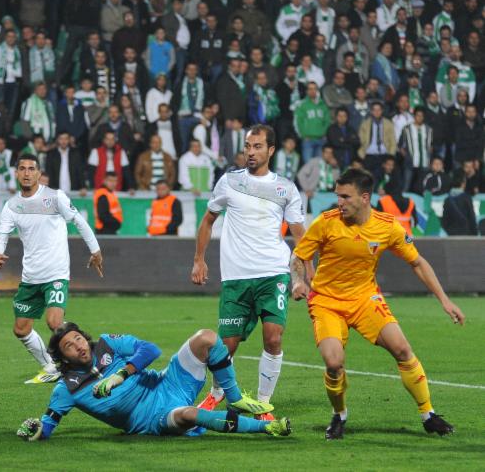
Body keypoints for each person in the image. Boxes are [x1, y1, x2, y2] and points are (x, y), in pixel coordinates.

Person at [290, 168, 464, 440]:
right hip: (326, 302)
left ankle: (428, 414)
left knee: (403, 349)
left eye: (346, 197)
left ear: (364, 197)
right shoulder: (326, 222)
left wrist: (444, 300)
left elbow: (417, 262)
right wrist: (297, 282)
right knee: (334, 363)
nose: (339, 202)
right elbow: (299, 256)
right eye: (338, 196)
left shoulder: (387, 226)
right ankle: (339, 415)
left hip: (365, 299)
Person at [192, 125, 306, 416]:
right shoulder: (229, 181)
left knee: (273, 337)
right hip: (236, 277)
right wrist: (199, 259)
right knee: (226, 347)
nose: (251, 152)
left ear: (271, 150)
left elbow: (301, 237)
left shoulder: (285, 188)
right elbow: (207, 221)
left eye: (257, 146)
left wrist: (305, 276)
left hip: (273, 272)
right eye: (247, 146)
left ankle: (263, 403)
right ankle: (217, 393)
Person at [16, 322, 291, 441]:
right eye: (69, 346)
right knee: (190, 414)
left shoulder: (107, 344)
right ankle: (268, 428)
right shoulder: (67, 388)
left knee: (206, 337)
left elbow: (151, 350)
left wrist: (121, 374)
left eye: (78, 338)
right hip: (152, 418)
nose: (78, 346)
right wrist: (37, 429)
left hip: (167, 383)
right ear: (63, 358)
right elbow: (48, 425)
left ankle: (234, 397)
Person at [0, 153, 103, 385]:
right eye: (22, 169)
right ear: (16, 173)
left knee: (54, 322)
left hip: (56, 273)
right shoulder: (11, 206)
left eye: (31, 169)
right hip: (31, 276)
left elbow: (79, 221)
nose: (27, 173)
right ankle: (51, 367)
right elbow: (1, 236)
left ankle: (90, 362)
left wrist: (95, 250)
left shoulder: (55, 197)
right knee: (21, 329)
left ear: (39, 173)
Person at [441, 169, 477, 236]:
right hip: (465, 234)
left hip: (451, 235)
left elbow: (444, 221)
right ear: (463, 183)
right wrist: (475, 234)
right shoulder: (466, 198)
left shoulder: (447, 200)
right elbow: (471, 218)